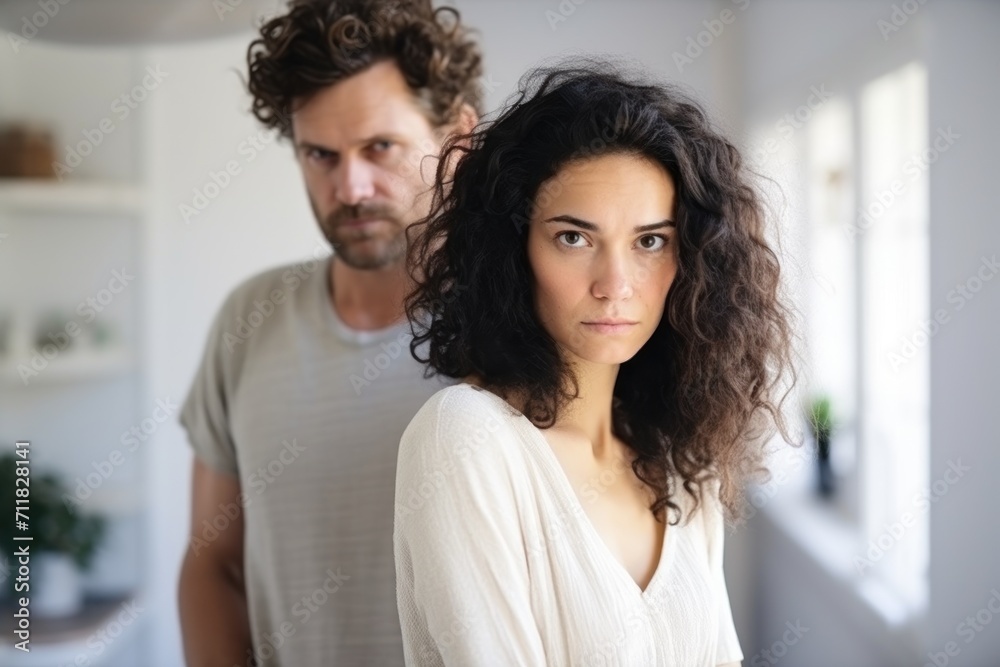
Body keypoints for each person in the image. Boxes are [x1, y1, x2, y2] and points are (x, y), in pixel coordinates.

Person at [394, 61, 795, 666]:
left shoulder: (683, 461)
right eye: (574, 238)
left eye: (649, 241)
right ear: (514, 250)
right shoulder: (466, 439)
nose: (615, 285)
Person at [177, 1, 480, 664]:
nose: (350, 186)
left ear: (457, 138)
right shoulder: (247, 320)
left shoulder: (517, 330)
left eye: (380, 147)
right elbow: (212, 562)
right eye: (320, 154)